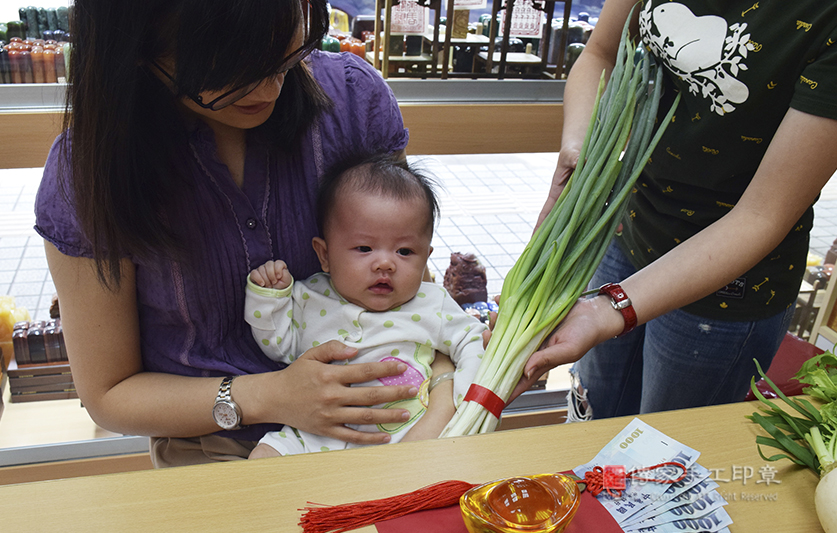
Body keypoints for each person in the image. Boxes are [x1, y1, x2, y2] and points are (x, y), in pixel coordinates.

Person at [34, 0, 455, 467]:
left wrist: (442, 397)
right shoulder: (90, 173)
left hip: (396, 424)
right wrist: (271, 396)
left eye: (286, 55)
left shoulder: (352, 100)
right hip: (214, 441)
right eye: (232, 69)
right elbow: (110, 394)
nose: (271, 87)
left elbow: (411, 295)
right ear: (137, 49)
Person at [510, 0, 837, 419]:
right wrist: (581, 154)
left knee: (659, 460)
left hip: (725, 283)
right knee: (592, 417)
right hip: (626, 231)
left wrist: (611, 309)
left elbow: (761, 215)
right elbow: (601, 53)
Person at [245, 156, 486, 458]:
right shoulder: (308, 296)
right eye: (364, 248)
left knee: (434, 462)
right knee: (264, 456)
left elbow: (472, 339)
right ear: (325, 254)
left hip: (405, 431)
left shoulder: (431, 302)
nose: (385, 263)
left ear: (426, 256)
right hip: (316, 432)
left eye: (405, 251)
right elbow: (278, 345)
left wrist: (467, 399)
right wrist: (269, 299)